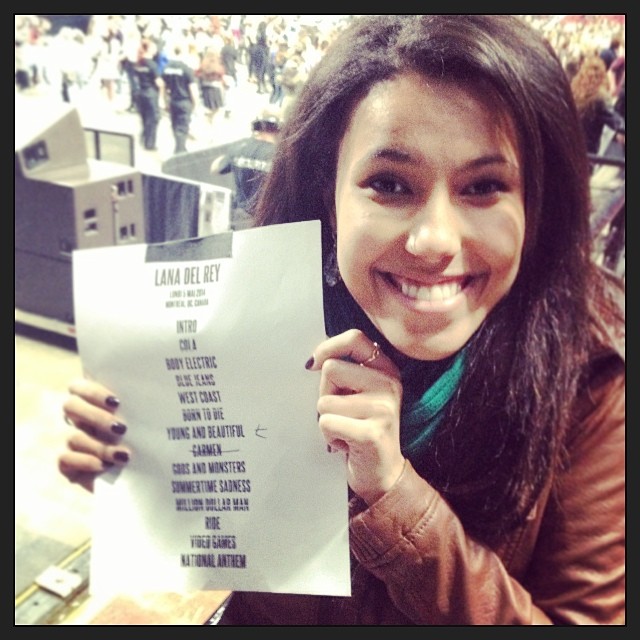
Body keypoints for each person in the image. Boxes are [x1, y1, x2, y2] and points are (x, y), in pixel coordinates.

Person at [59, 15, 625, 625]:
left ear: (538, 206)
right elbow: (249, 578)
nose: (434, 240)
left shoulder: (593, 384)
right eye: (390, 184)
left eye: (483, 186)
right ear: (329, 199)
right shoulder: (262, 325)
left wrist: (396, 498)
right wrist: (151, 476)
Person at [209, 107, 281, 230]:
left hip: (240, 218)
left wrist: (231, 156)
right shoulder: (279, 155)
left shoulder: (239, 147)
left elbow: (215, 169)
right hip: (267, 220)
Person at [571, 55, 625, 156]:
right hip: (588, 152)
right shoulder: (598, 100)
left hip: (571, 147)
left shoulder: (573, 92)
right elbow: (617, 122)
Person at [161, 43, 198, 154]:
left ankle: (179, 148)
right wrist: (195, 104)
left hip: (173, 101)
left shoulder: (167, 68)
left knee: (175, 126)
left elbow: (163, 86)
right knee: (182, 128)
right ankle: (180, 151)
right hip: (184, 101)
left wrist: (164, 101)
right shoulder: (186, 69)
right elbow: (193, 89)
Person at [132, 38, 163, 151]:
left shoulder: (138, 63)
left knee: (144, 119)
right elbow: (159, 82)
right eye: (153, 47)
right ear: (148, 49)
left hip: (140, 92)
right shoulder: (152, 65)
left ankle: (143, 139)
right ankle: (150, 144)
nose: (155, 49)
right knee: (153, 119)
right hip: (151, 93)